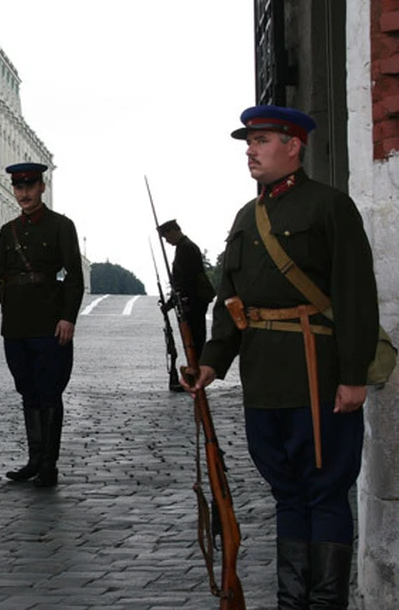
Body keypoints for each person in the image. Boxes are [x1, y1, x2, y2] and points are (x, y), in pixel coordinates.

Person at [184, 105, 379, 608]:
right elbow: (230, 302)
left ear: (294, 146)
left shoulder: (330, 207)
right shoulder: (246, 217)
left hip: (320, 376)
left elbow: (356, 296)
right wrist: (211, 361)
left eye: (262, 140)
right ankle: (292, 601)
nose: (250, 149)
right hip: (264, 382)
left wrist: (353, 376)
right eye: (249, 141)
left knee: (326, 492)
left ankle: (326, 603)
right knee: (288, 495)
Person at [0, 163, 85, 487]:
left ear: (41, 187)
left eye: (30, 186)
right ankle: (34, 458)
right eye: (18, 187)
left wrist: (68, 317)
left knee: (49, 393)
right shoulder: (9, 230)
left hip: (49, 324)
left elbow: (74, 277)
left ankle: (49, 464)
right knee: (28, 391)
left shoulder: (61, 226)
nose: (23, 193)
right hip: (17, 325)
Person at [157, 219, 216, 385]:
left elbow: (185, 281)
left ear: (172, 231)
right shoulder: (184, 247)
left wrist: (174, 302)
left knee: (194, 340)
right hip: (191, 299)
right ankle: (194, 372)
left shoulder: (186, 248)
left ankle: (195, 374)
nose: (167, 241)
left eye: (166, 237)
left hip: (192, 301)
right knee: (193, 339)